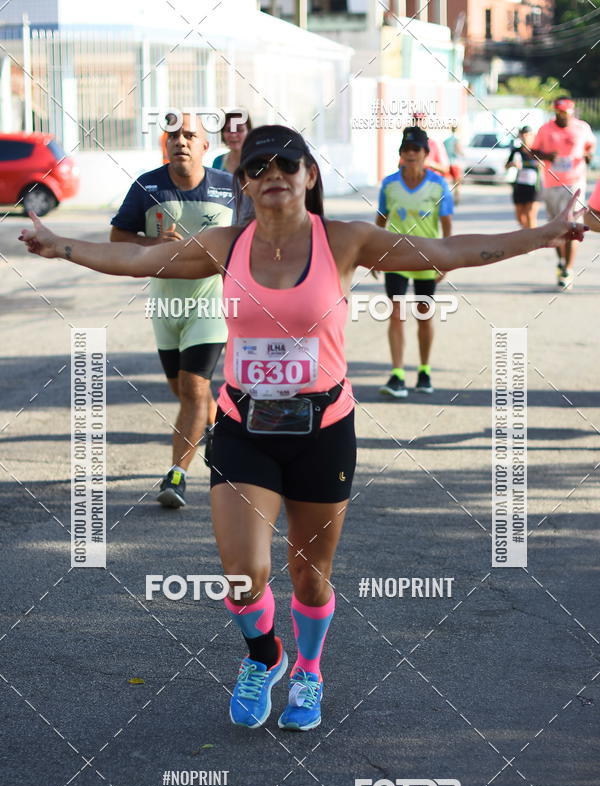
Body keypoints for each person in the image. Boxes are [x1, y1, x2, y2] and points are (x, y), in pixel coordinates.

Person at [19, 125, 587, 732]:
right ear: (244, 182)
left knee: (308, 578)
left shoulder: (343, 241)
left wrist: (548, 233)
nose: (274, 174)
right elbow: (138, 259)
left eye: (287, 164)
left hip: (324, 431)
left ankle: (309, 670)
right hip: (244, 427)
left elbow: (447, 253)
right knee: (243, 573)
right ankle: (266, 657)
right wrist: (61, 246)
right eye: (259, 166)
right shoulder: (223, 245)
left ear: (309, 176)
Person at [110, 113, 236, 508]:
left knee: (195, 388)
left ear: (204, 147)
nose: (181, 141)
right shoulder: (147, 186)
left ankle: (176, 475)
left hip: (210, 305)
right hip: (166, 306)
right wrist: (154, 245)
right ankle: (218, 429)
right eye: (174, 136)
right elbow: (118, 238)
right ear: (165, 145)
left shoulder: (230, 189)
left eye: (190, 136)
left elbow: (252, 239)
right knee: (183, 393)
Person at [376, 126, 454, 397]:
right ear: (400, 154)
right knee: (396, 316)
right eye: (406, 150)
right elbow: (380, 221)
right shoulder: (389, 184)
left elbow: (446, 225)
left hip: (427, 259)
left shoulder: (438, 185)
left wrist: (446, 259)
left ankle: (424, 370)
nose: (411, 155)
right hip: (396, 257)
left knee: (424, 316)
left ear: (425, 153)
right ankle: (397, 374)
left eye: (416, 150)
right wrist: (376, 253)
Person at [532, 97, 595, 289]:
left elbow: (590, 147)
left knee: (572, 226)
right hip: (551, 182)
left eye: (566, 112)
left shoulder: (582, 127)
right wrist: (546, 156)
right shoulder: (545, 129)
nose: (563, 115)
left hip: (575, 182)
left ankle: (568, 268)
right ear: (555, 111)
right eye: (559, 112)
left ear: (571, 111)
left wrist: (587, 155)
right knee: (556, 227)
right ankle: (561, 261)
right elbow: (533, 151)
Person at [505, 126, 540, 229]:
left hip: (534, 187)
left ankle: (532, 241)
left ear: (533, 136)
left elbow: (547, 164)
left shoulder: (537, 152)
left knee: (531, 216)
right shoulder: (516, 151)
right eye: (523, 135)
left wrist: (541, 164)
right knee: (520, 218)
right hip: (519, 187)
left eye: (528, 135)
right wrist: (512, 164)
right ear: (520, 136)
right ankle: (526, 236)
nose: (526, 137)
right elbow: (506, 165)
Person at [444, 124, 464, 205]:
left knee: (447, 183)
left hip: (447, 163)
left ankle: (446, 199)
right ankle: (456, 199)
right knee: (457, 183)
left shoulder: (446, 140)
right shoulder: (457, 140)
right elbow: (458, 151)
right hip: (455, 163)